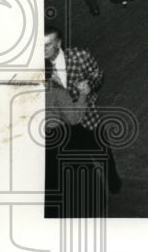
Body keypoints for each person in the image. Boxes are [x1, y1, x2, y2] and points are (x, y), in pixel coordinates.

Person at [43, 26, 122, 217]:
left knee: (101, 149)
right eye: (39, 46)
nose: (42, 50)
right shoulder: (37, 65)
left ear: (59, 43)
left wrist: (89, 85)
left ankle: (113, 180)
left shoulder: (79, 56)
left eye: (47, 45)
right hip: (61, 130)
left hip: (85, 118)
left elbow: (97, 74)